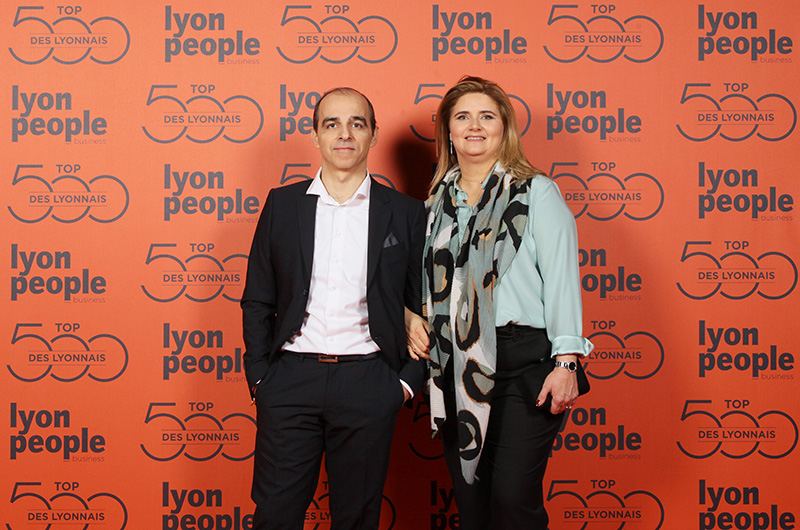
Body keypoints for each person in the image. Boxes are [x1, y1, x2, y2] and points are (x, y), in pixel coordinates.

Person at [405, 76, 594, 530]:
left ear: (503, 127)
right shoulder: (433, 204)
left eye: (486, 116)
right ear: (448, 131)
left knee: (512, 501)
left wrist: (567, 362)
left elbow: (562, 278)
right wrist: (410, 316)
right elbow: (420, 282)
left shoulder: (536, 192)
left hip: (522, 362)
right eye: (462, 117)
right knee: (473, 505)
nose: (474, 126)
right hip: (454, 366)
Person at [241, 87, 427, 530]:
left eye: (356, 124)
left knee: (356, 519)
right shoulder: (282, 205)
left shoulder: (405, 213)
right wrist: (261, 378)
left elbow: (425, 304)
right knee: (274, 517)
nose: (345, 134)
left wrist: (403, 384)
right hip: (290, 380)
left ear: (373, 135)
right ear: (316, 136)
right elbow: (258, 297)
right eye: (332, 124)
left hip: (369, 381)